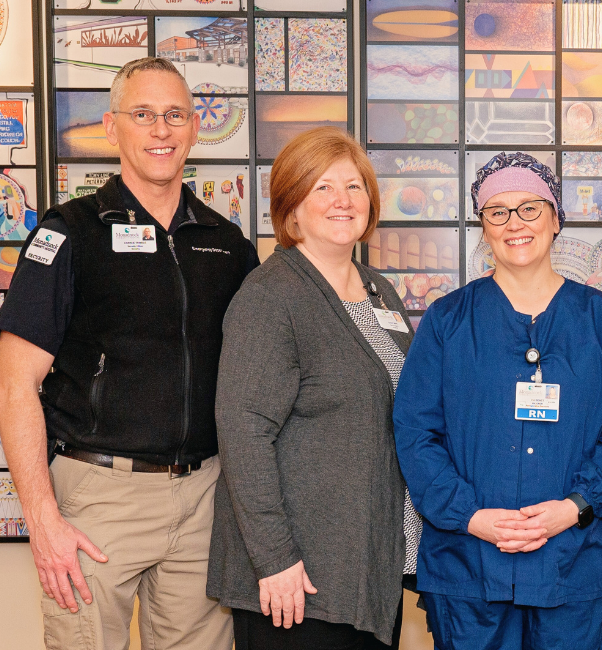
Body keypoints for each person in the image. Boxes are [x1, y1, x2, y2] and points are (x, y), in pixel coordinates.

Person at [0, 57, 256, 650]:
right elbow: (13, 387)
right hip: (99, 495)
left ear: (194, 128)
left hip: (205, 497)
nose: (160, 130)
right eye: (143, 115)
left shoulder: (227, 243)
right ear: (112, 128)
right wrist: (43, 521)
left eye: (174, 116)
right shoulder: (69, 233)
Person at [393, 152, 602, 650]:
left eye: (530, 208)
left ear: (556, 218)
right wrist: (471, 516)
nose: (515, 224)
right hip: (468, 563)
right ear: (483, 228)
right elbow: (415, 432)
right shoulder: (447, 322)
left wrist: (575, 507)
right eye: (498, 211)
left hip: (569, 560)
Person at [208, 127, 419, 649]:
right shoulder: (271, 296)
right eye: (323, 187)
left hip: (366, 569)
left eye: (355, 187)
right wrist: (275, 558)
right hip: (298, 581)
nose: (343, 201)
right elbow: (243, 432)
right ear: (291, 207)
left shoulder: (379, 291)